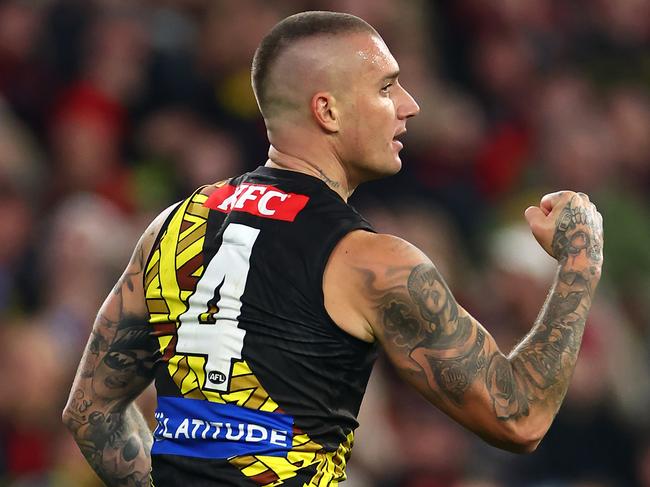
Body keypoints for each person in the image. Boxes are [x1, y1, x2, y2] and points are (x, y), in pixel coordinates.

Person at [62, 11, 604, 487]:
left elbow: (92, 411)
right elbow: (521, 418)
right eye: (387, 88)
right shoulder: (371, 263)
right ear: (329, 111)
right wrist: (580, 259)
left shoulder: (172, 227)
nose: (410, 106)